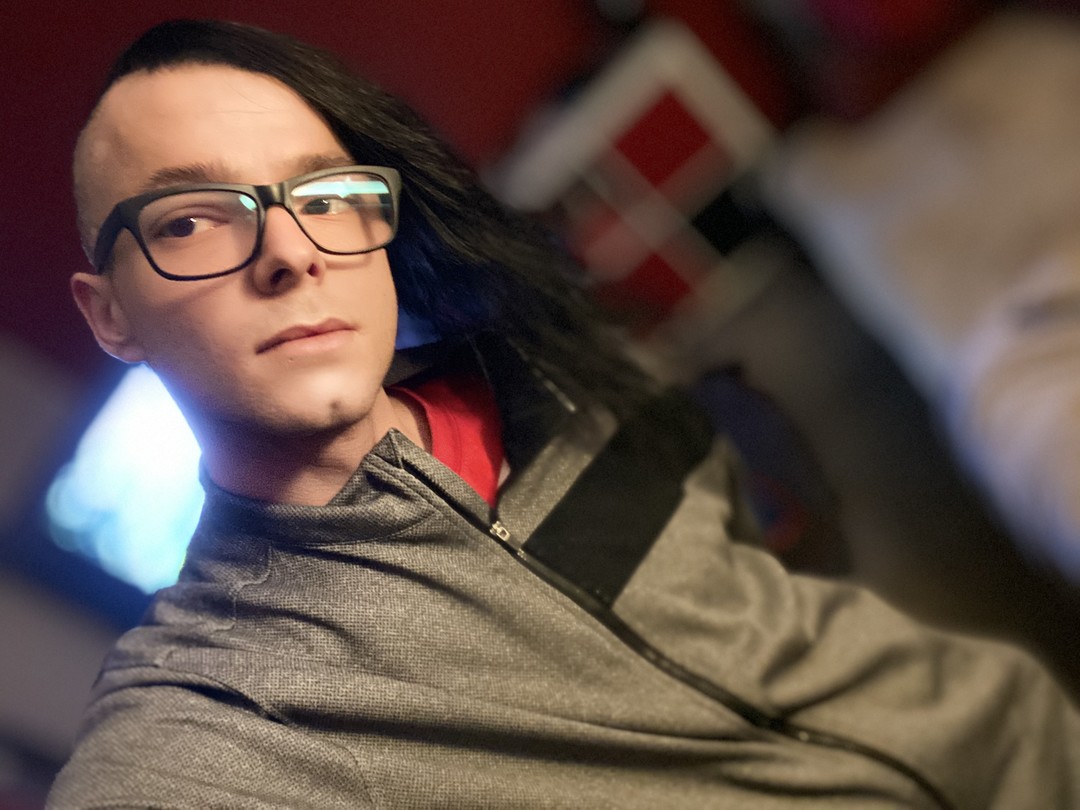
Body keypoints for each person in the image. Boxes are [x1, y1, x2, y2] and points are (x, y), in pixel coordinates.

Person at [50, 18, 1078, 809]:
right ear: (110, 316)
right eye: (191, 221)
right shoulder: (228, 709)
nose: (289, 250)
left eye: (323, 194)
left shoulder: (537, 369)